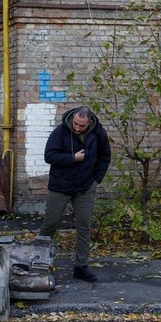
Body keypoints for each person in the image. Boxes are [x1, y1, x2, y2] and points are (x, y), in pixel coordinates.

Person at [38, 106, 111, 282]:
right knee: (51, 224)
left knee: (84, 226)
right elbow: (49, 156)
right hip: (60, 186)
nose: (77, 128)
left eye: (82, 126)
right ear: (72, 118)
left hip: (85, 187)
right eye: (76, 124)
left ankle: (81, 267)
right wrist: (72, 158)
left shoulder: (98, 133)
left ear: (90, 122)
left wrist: (96, 179)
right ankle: (38, 263)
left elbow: (105, 156)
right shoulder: (60, 131)